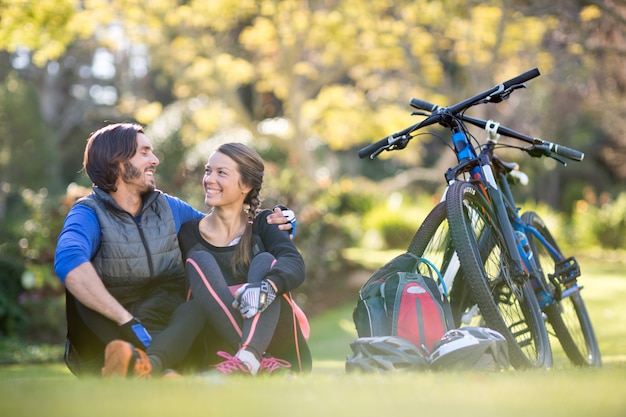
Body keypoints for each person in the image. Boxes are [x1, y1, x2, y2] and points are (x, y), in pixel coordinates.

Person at [54, 123, 292, 378]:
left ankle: (149, 369)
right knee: (79, 286)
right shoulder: (88, 213)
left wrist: (276, 226)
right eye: (144, 152)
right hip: (108, 331)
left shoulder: (167, 207)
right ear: (118, 161)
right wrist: (126, 320)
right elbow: (69, 261)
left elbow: (222, 232)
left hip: (163, 331)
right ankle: (122, 360)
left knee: (195, 308)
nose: (154, 160)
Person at [178, 142, 312, 375]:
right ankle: (253, 359)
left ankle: (249, 357)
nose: (209, 179)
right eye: (208, 170)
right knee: (199, 260)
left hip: (281, 349)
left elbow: (294, 263)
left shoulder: (264, 223)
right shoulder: (188, 233)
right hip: (222, 355)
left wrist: (266, 289)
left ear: (246, 185)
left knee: (265, 262)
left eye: (221, 173)